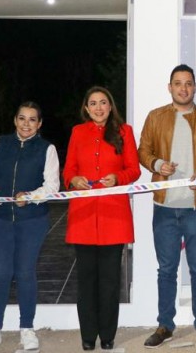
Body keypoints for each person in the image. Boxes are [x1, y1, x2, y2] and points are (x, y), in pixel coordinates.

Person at [138, 64, 196, 348]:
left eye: (188, 83)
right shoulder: (155, 117)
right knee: (166, 269)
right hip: (164, 206)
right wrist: (156, 164)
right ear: (170, 87)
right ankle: (165, 325)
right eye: (178, 83)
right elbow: (143, 150)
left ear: (195, 87)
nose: (183, 88)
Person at [0, 102, 60, 352]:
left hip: (33, 220)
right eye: (22, 118)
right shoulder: (0, 143)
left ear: (39, 124)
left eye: (32, 119)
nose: (26, 124)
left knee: (25, 272)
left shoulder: (47, 149)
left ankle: (27, 329)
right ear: (15, 120)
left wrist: (31, 196)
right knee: (0, 273)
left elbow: (52, 186)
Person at [63, 87, 141, 351]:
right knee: (86, 281)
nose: (98, 108)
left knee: (110, 281)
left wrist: (118, 178)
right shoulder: (78, 132)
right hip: (83, 215)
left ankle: (107, 335)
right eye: (93, 103)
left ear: (110, 106)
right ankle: (87, 335)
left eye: (103, 103)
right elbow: (68, 169)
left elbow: (134, 169)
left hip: (114, 215)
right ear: (86, 108)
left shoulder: (124, 131)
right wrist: (73, 179)